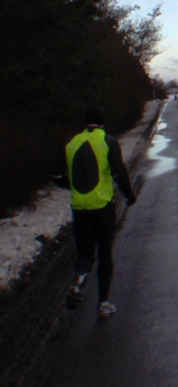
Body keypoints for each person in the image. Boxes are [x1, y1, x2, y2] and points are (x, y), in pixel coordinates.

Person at [52, 105, 137, 319]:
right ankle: (103, 303)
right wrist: (129, 195)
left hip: (80, 209)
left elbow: (54, 175)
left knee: (85, 255)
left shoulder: (71, 143)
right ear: (102, 122)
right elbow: (119, 171)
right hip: (103, 207)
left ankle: (79, 283)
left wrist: (70, 185)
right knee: (105, 253)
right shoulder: (108, 141)